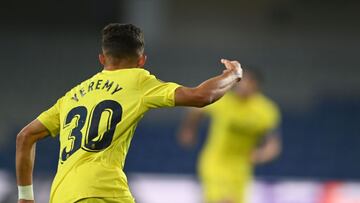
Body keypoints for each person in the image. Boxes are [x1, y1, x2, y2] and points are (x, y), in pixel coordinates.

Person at [15, 23, 243, 203]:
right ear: (142, 60)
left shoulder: (73, 95)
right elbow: (201, 97)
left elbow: (25, 137)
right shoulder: (138, 80)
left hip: (62, 195)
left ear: (102, 59)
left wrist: (26, 197)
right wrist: (233, 75)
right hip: (103, 190)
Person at [178, 69, 281, 203]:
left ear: (256, 86)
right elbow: (196, 108)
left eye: (247, 83)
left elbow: (273, 145)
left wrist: (261, 154)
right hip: (216, 163)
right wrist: (189, 129)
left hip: (241, 168)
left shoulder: (265, 111)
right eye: (240, 82)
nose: (242, 86)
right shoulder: (223, 100)